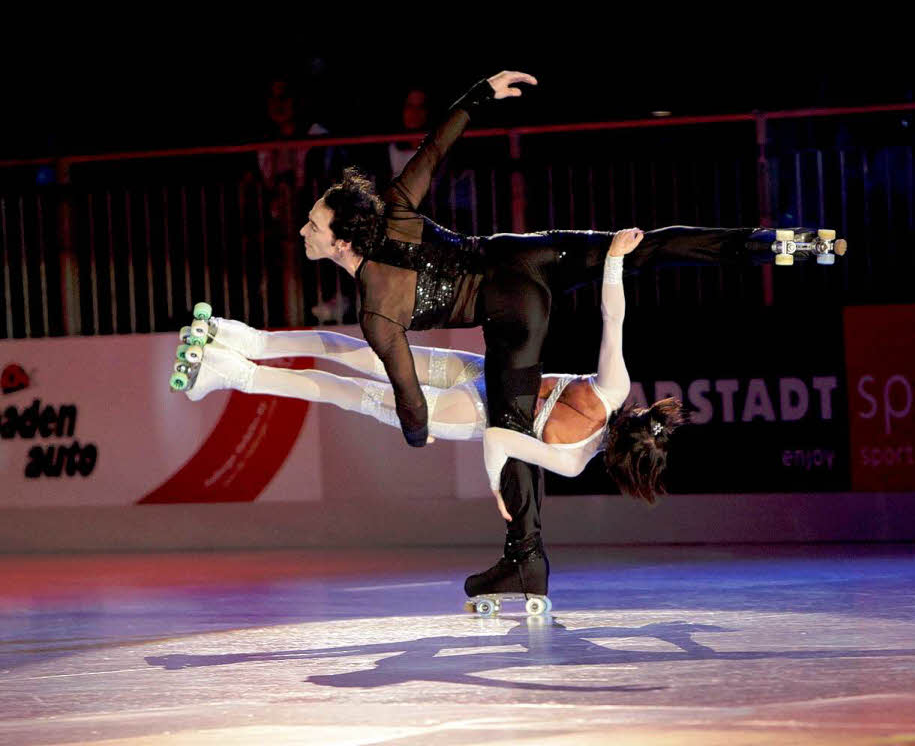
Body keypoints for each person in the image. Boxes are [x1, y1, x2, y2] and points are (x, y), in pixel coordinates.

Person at [221, 69, 839, 601]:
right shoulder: (396, 206)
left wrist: (418, 434)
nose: (303, 226)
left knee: (512, 428)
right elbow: (436, 149)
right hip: (528, 256)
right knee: (645, 249)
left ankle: (527, 559)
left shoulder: (378, 313)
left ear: (342, 242)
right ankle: (784, 244)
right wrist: (479, 93)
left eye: (312, 222)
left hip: (513, 315)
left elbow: (411, 407)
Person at [179, 228, 686, 600]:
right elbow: (498, 442)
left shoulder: (611, 390)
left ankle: (234, 339)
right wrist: (496, 484)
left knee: (354, 352)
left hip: (478, 376)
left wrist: (616, 259)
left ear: (639, 418)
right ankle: (230, 369)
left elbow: (611, 315)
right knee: (343, 389)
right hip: (467, 408)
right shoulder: (573, 460)